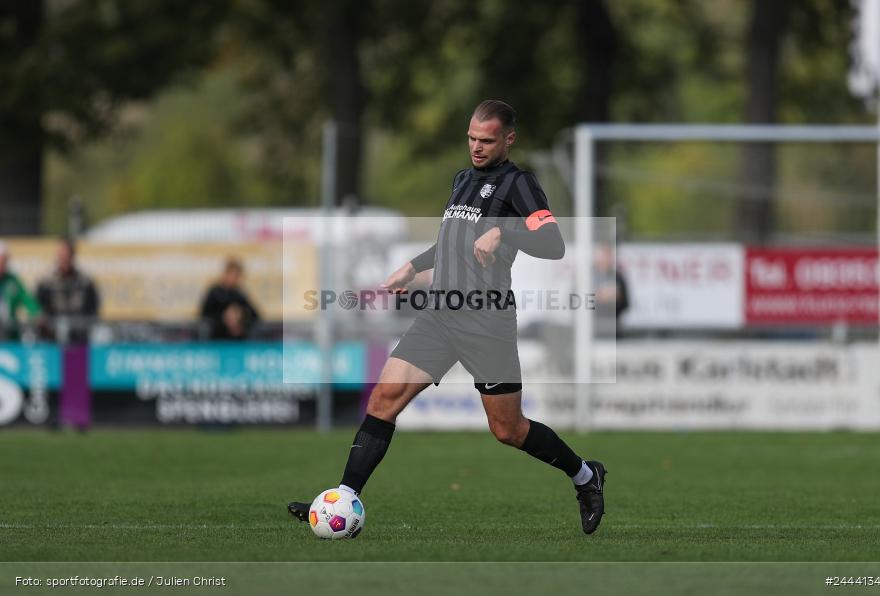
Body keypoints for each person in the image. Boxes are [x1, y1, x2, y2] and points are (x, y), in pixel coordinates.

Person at [288, 100, 607, 535]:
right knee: (383, 399)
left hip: (486, 322)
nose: (476, 147)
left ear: (509, 139)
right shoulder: (462, 180)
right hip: (439, 314)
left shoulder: (520, 184)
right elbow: (451, 241)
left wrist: (505, 231)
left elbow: (553, 242)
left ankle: (586, 476)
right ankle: (343, 497)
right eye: (472, 138)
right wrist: (414, 266)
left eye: (487, 140)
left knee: (508, 429)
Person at [36, 238, 101, 343]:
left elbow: (93, 308)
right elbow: (38, 308)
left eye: (67, 255)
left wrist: (85, 327)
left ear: (72, 256)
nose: (64, 259)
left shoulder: (85, 282)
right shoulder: (46, 283)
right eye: (61, 255)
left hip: (79, 340)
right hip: (52, 341)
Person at [200, 257, 259, 340]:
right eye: (232, 275)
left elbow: (255, 315)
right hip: (217, 338)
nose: (234, 279)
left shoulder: (239, 294)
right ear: (225, 274)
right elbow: (204, 315)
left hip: (239, 340)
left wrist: (241, 316)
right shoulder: (214, 293)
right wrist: (224, 318)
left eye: (237, 276)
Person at [0, 241, 41, 341]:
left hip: (9, 335)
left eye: (5, 260)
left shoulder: (13, 282)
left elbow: (27, 299)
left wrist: (36, 313)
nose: (3, 264)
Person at [593, 245, 629, 338]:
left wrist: (614, 299)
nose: (605, 260)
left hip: (613, 331)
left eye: (608, 257)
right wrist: (596, 297)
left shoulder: (619, 278)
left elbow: (625, 303)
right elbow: (573, 300)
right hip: (592, 330)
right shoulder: (586, 278)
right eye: (603, 256)